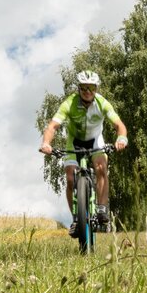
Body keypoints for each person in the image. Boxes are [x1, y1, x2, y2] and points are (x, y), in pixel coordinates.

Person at [40, 71, 128, 233]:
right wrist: (46, 143)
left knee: (101, 168)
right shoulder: (69, 103)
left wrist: (121, 139)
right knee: (70, 177)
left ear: (96, 89)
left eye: (91, 88)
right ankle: (76, 218)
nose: (87, 91)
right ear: (78, 88)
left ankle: (101, 209)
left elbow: (119, 125)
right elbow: (52, 126)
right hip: (74, 142)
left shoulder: (102, 103)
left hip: (95, 141)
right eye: (84, 88)